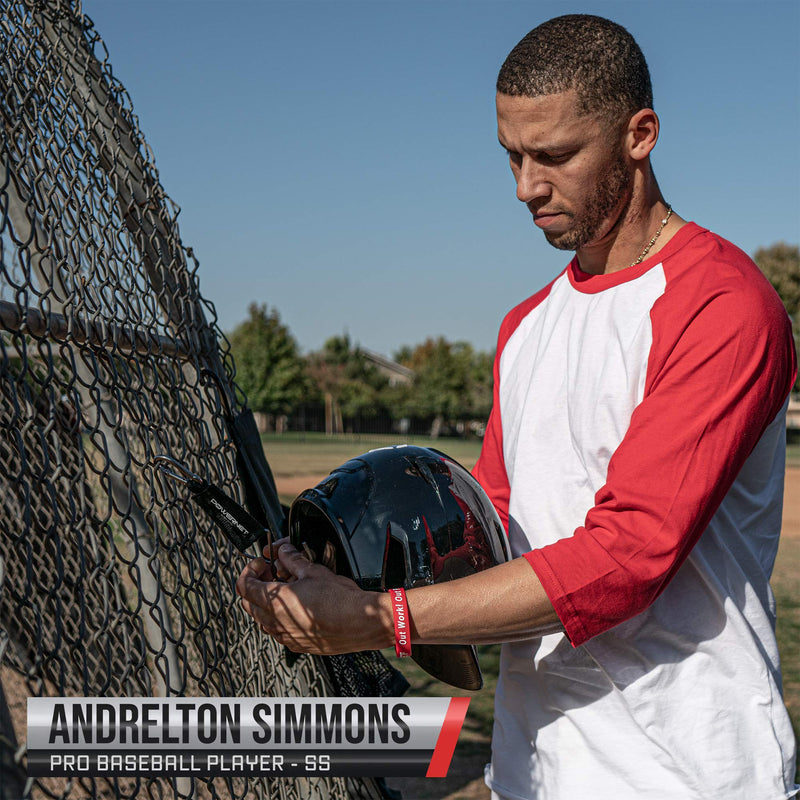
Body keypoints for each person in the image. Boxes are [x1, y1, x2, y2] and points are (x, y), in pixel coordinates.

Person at [237, 14, 798, 799]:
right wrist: (333, 573)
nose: (526, 185)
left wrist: (380, 621)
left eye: (555, 155)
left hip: (688, 771)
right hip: (534, 766)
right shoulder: (527, 326)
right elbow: (484, 528)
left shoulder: (721, 303)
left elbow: (626, 556)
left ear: (641, 135)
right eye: (512, 154)